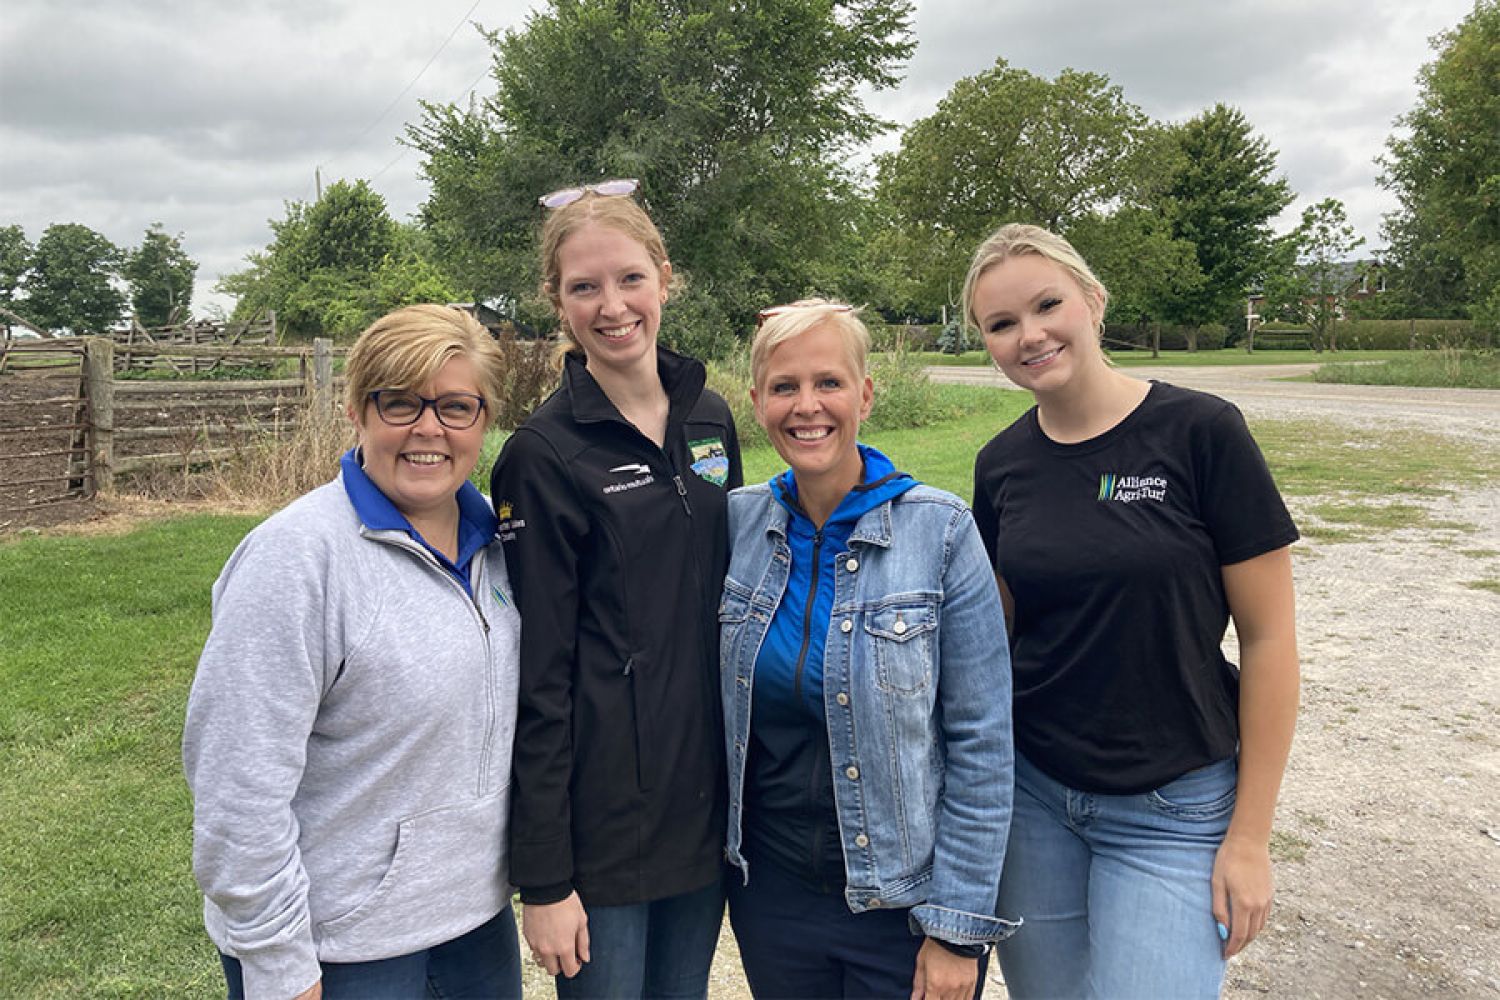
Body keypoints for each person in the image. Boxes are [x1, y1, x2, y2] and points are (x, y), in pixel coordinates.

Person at [964, 223, 1301, 998]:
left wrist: (1250, 838)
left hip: (1175, 809)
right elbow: (996, 639)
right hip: (1036, 800)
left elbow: (1270, 639)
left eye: (1048, 304)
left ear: (1093, 300)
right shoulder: (1002, 465)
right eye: (1002, 324)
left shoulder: (1202, 434)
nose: (1030, 335)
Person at [183, 304, 523, 1000]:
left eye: (457, 406)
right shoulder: (297, 559)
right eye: (399, 402)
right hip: (341, 946)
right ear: (355, 409)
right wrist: (280, 964)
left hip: (476, 928)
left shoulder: (505, 544)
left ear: (485, 421)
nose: (428, 428)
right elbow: (236, 783)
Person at [719, 299, 1017, 1000]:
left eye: (829, 382)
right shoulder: (733, 525)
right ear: (757, 402)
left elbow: (983, 741)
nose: (807, 406)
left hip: (902, 907)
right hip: (773, 896)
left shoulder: (939, 533)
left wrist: (957, 929)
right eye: (784, 387)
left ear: (866, 393)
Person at [489, 179, 742, 999]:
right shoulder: (542, 456)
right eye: (584, 287)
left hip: (703, 806)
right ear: (557, 304)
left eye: (630, 278)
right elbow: (538, 675)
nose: (613, 305)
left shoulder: (709, 417)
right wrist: (546, 878)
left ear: (665, 277)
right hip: (602, 826)